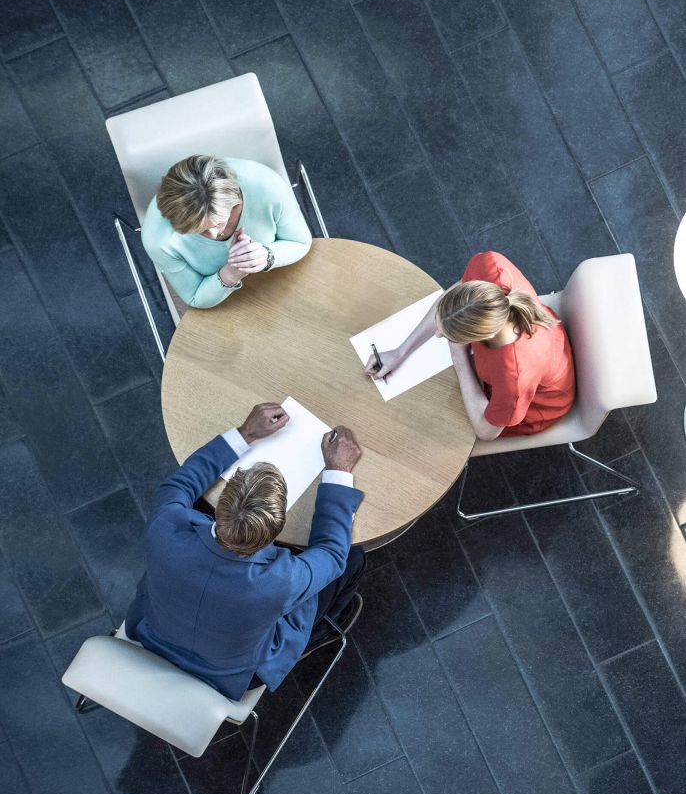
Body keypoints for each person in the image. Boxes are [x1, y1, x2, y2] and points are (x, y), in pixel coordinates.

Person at [124, 403, 365, 700]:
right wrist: (338, 472)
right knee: (354, 559)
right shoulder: (280, 581)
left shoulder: (164, 528)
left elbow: (181, 483)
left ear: (223, 503)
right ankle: (322, 632)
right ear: (276, 530)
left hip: (155, 633)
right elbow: (332, 554)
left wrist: (245, 433)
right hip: (234, 674)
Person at [367, 251, 575, 440]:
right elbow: (452, 302)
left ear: (481, 337)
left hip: (536, 406)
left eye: (449, 336)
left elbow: (485, 431)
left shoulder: (514, 377)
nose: (437, 334)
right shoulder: (489, 267)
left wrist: (459, 358)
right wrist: (400, 351)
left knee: (426, 422)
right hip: (519, 370)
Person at [141, 155, 312, 308]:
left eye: (218, 224)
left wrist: (267, 255)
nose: (214, 236)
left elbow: (301, 242)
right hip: (223, 300)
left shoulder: (267, 186)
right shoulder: (158, 240)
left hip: (281, 278)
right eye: (198, 230)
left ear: (235, 201)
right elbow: (194, 297)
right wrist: (230, 274)